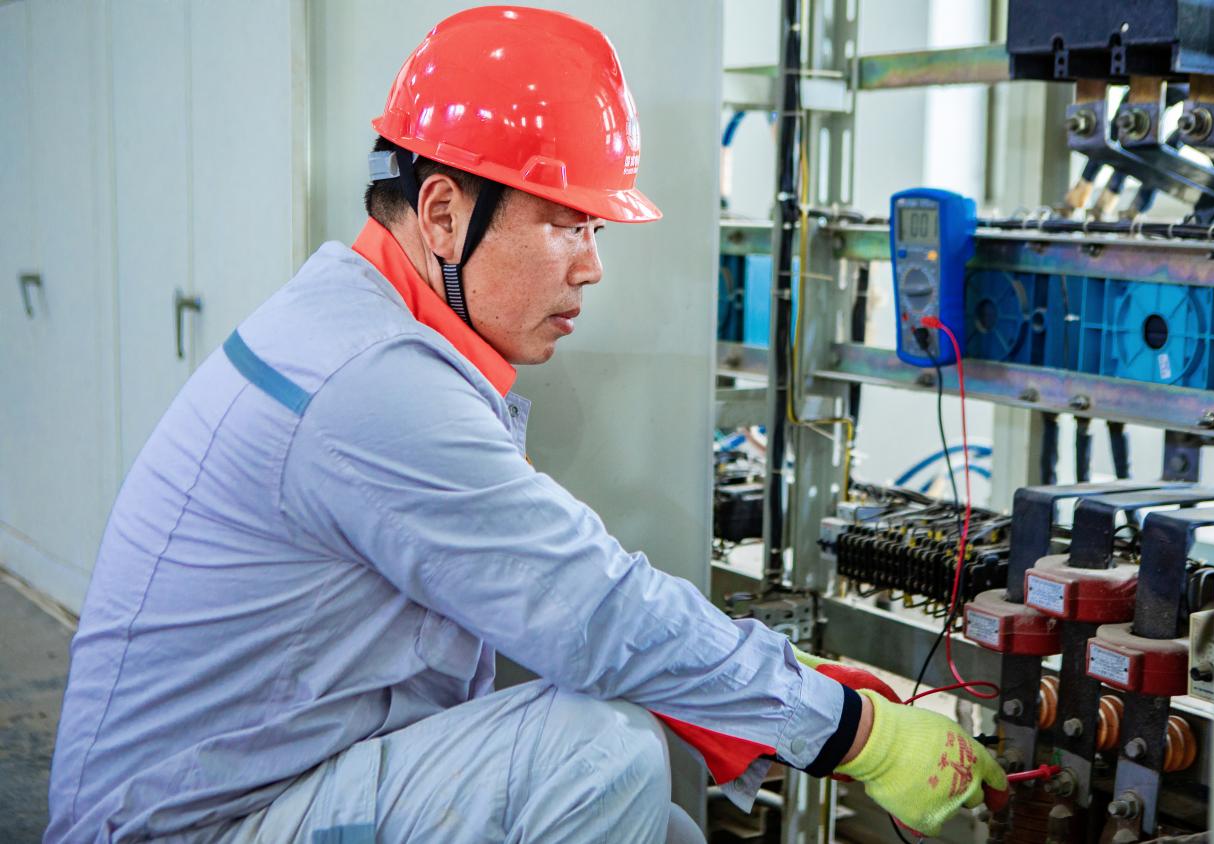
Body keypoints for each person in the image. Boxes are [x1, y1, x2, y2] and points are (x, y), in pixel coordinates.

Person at [45, 6, 1005, 843]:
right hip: (195, 824)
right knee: (598, 758)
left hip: (266, 780)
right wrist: (854, 734)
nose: (592, 266)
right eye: (564, 224)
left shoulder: (359, 326)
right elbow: (590, 610)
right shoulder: (371, 382)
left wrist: (757, 689)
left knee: (664, 827)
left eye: (595, 230)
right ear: (441, 212)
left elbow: (561, 607)